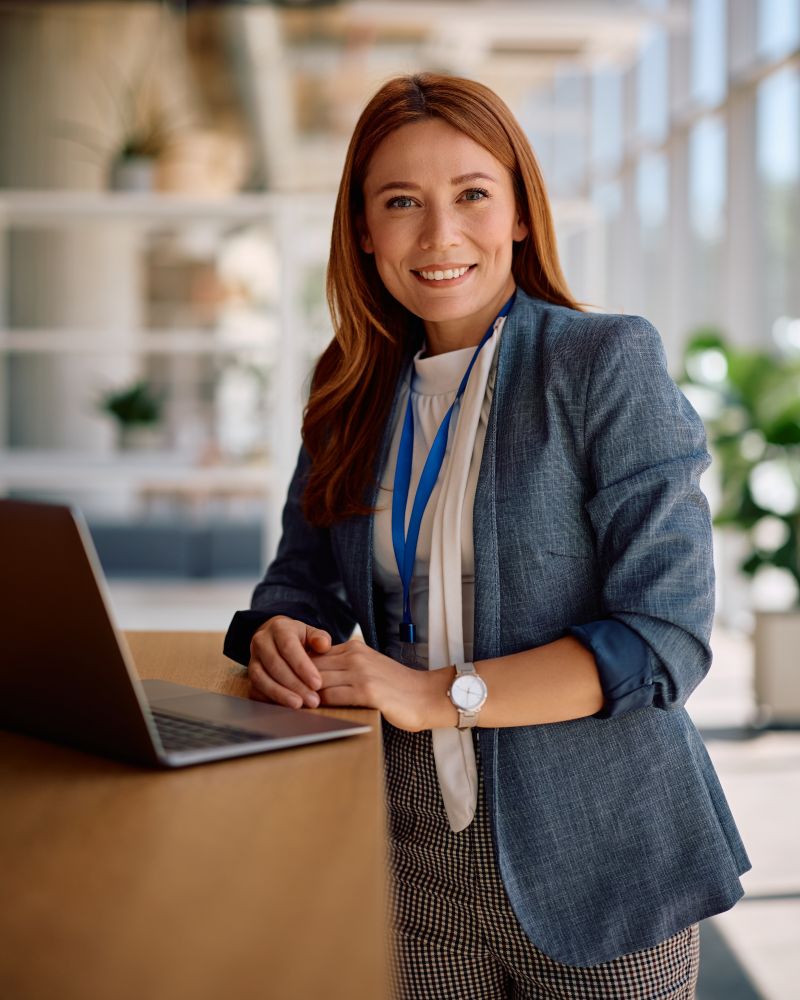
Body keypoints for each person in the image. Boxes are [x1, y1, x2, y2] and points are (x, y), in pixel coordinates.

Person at [224, 73, 750, 999]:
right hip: (408, 850)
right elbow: (301, 581)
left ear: (517, 212)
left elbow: (664, 639)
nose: (438, 236)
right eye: (401, 203)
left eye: (471, 194)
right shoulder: (346, 384)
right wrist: (276, 629)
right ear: (362, 230)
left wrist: (438, 694)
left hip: (595, 850)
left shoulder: (602, 363)